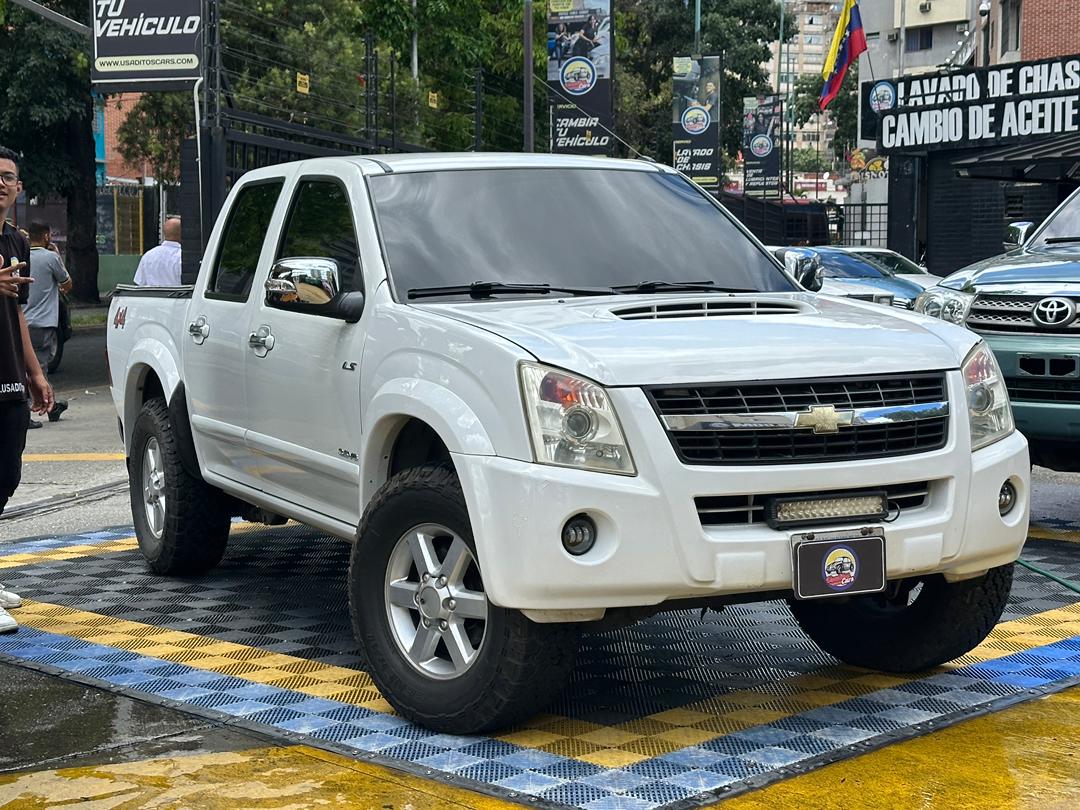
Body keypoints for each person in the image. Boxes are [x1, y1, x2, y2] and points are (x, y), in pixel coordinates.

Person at [0, 145, 54, 633]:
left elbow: (16, 312)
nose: (2, 182)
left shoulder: (17, 242)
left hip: (8, 372)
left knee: (6, 473)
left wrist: (35, 373)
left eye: (9, 176)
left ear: (19, 188)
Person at [24, 221, 70, 427]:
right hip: (43, 322)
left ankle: (51, 404)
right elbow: (67, 283)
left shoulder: (20, 257)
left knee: (24, 365)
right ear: (46, 237)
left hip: (20, 321)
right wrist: (57, 254)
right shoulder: (51, 258)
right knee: (38, 367)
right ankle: (30, 410)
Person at [133, 217, 182, 286]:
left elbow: (139, 283)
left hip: (151, 296)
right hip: (179, 296)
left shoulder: (148, 256)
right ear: (183, 233)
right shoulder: (183, 257)